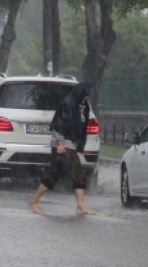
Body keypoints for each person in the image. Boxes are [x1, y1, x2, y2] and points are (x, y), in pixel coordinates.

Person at [28, 82, 97, 216]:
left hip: (71, 143)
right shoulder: (68, 103)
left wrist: (80, 145)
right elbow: (59, 123)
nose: (87, 98)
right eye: (85, 95)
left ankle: (79, 206)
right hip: (64, 144)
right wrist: (60, 143)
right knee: (77, 173)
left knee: (55, 173)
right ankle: (34, 201)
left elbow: (82, 126)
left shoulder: (83, 106)